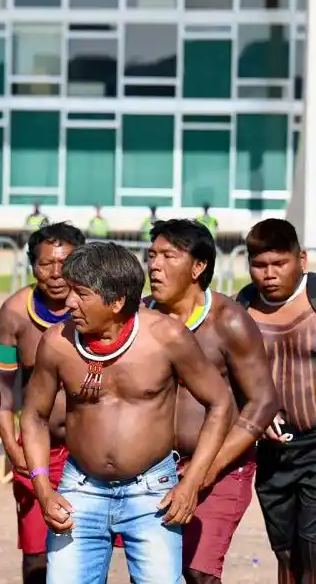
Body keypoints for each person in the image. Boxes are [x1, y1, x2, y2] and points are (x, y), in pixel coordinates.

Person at [22, 242, 234, 583]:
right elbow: (33, 416)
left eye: (81, 294)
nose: (69, 302)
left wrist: (192, 482)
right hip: (79, 490)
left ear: (117, 301)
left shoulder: (166, 337)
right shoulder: (57, 342)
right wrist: (43, 488)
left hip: (153, 491)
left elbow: (220, 403)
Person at [146, 220, 278, 584]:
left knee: (198, 572)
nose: (154, 265)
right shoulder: (140, 317)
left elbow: (263, 402)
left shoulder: (229, 322)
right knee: (156, 571)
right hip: (154, 468)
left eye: (168, 256)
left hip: (223, 466)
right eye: (152, 255)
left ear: (198, 266)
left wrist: (207, 468)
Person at [0, 222, 85, 584]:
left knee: (89, 553)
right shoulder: (14, 313)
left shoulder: (102, 308)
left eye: (66, 264)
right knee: (37, 558)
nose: (56, 274)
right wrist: (12, 447)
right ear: (32, 265)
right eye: (46, 264)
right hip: (39, 451)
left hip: (92, 453)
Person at [234, 218, 316, 584]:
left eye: (279, 263)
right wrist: (252, 414)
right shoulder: (241, 310)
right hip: (273, 451)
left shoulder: (314, 300)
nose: (269, 274)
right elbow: (227, 377)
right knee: (285, 552)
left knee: (312, 548)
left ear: (302, 259)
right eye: (260, 265)